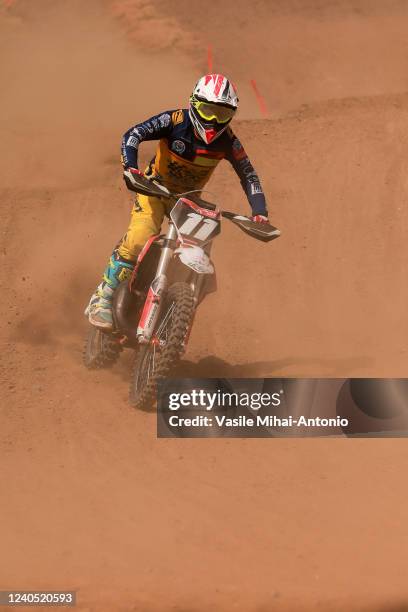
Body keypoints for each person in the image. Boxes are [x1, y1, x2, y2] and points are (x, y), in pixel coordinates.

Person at [86, 73, 269, 329]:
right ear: (194, 103)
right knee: (141, 235)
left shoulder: (229, 142)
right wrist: (131, 168)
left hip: (188, 201)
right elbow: (133, 134)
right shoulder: (174, 120)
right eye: (208, 110)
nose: (214, 120)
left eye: (222, 113)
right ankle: (103, 298)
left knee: (202, 254)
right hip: (154, 189)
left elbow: (248, 174)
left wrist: (260, 212)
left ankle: (177, 314)